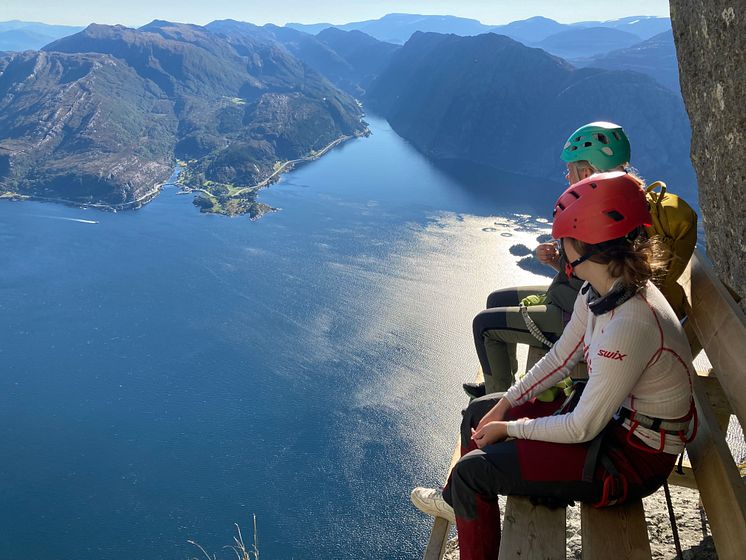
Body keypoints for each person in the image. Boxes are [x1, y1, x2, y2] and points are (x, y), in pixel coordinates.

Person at [412, 172, 696, 559]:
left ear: (585, 243)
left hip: (630, 460)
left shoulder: (630, 322)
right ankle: (462, 506)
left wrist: (511, 427)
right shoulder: (603, 288)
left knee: (471, 473)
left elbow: (580, 428)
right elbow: (562, 357)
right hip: (613, 424)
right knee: (478, 413)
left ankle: (469, 512)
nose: (559, 246)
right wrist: (505, 405)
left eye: (564, 237)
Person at [466, 121, 634, 396]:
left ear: (588, 171)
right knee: (497, 300)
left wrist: (564, 262)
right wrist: (558, 261)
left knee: (484, 325)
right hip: (577, 298)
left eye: (570, 171)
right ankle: (500, 382)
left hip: (577, 315)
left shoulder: (603, 213)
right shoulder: (623, 203)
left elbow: (599, 279)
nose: (567, 178)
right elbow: (596, 270)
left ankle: (495, 399)